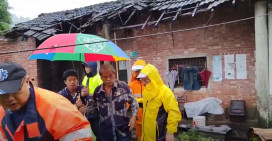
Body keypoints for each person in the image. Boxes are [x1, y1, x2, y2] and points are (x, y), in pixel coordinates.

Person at [0, 62, 92, 141]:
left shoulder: (57, 108)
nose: (9, 98)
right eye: (3, 94)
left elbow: (81, 136)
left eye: (14, 91)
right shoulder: (2, 112)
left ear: (27, 81)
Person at [93, 64, 139, 141]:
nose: (108, 79)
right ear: (101, 77)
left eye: (110, 76)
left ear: (114, 74)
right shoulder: (97, 92)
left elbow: (134, 102)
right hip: (106, 132)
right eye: (105, 77)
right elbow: (94, 108)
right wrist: (83, 106)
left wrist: (134, 116)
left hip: (123, 130)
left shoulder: (123, 87)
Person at [137, 64, 181, 141]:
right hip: (147, 135)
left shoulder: (165, 92)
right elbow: (146, 102)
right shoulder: (148, 90)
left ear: (153, 78)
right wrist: (133, 100)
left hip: (159, 136)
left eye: (146, 80)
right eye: (142, 80)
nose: (143, 83)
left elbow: (174, 112)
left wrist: (170, 132)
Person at [81, 62, 103, 141]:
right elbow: (82, 90)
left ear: (92, 68)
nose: (86, 69)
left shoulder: (98, 78)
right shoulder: (85, 78)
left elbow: (102, 91)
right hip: (86, 111)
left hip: (96, 111)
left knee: (98, 133)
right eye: (85, 67)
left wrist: (92, 94)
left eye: (88, 67)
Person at [128, 59, 146, 141]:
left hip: (149, 115)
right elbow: (127, 100)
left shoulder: (148, 83)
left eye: (140, 71)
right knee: (139, 137)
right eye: (137, 71)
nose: (138, 73)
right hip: (137, 115)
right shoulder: (131, 85)